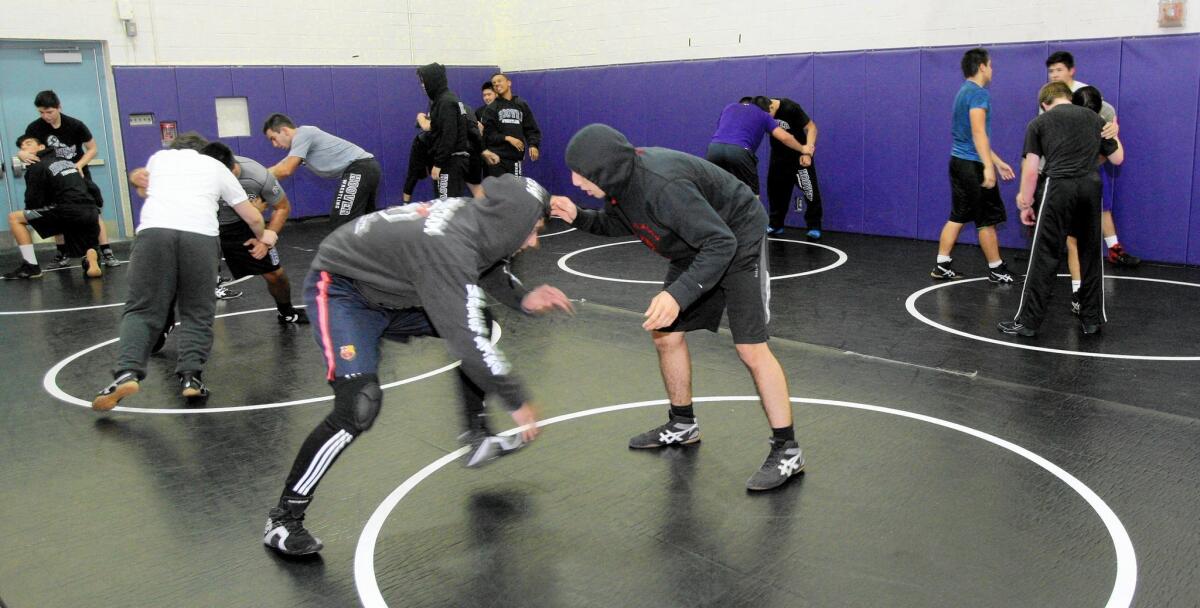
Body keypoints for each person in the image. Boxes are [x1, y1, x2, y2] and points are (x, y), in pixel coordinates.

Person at [262, 175, 573, 556]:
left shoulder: (477, 221)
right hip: (344, 291)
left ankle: (477, 437)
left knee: (484, 323)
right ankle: (283, 519)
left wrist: (522, 298)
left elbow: (485, 263)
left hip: (397, 291)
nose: (533, 242)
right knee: (358, 405)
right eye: (533, 231)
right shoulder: (447, 248)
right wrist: (517, 400)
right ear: (509, 224)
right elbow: (466, 341)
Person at [552, 123, 804, 492]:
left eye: (582, 174)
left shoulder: (663, 186)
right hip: (697, 245)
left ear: (604, 171)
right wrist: (579, 216)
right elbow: (622, 223)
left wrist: (678, 294)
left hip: (736, 240)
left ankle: (788, 450)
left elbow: (722, 243)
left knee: (751, 348)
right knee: (665, 335)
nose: (575, 181)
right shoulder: (623, 184)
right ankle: (683, 424)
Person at [92, 136, 266, 411]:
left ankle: (128, 372)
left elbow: (145, 191)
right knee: (197, 311)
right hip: (200, 238)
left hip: (154, 234)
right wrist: (263, 237)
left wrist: (137, 180)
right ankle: (191, 379)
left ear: (174, 149)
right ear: (203, 150)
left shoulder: (159, 159)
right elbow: (253, 217)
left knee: (141, 310)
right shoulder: (215, 166)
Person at [998, 82, 1123, 338]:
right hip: (1090, 187)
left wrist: (1026, 201)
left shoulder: (1039, 122)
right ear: (1068, 97)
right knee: (1089, 253)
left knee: (1044, 254)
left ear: (1045, 103)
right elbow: (1118, 159)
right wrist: (1113, 133)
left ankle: (1029, 322)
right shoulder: (1094, 118)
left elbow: (1032, 169)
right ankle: (1092, 320)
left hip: (1059, 187)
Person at [1044, 51, 1139, 274]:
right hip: (1062, 163)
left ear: (1070, 70)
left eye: (1059, 69)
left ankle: (1111, 250)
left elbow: (1107, 114)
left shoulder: (1084, 93)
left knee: (1096, 206)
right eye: (1051, 71)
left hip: (1087, 160)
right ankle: (1066, 265)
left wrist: (1112, 129)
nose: (1055, 74)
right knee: (1067, 216)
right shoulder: (1049, 97)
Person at [931, 47, 1017, 283]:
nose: (992, 69)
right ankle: (997, 269)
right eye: (990, 65)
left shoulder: (962, 92)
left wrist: (996, 162)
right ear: (981, 67)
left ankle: (942, 264)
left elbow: (972, 136)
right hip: (972, 166)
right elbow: (979, 133)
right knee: (986, 220)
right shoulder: (979, 94)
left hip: (958, 162)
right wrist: (988, 167)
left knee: (958, 215)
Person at [19, 90, 118, 268]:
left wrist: (79, 164)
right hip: (52, 177)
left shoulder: (75, 125)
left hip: (76, 174)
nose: (46, 116)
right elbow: (27, 147)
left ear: (59, 107)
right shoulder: (35, 128)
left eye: (49, 112)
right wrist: (21, 153)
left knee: (93, 211)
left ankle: (106, 251)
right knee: (56, 209)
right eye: (41, 112)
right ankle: (62, 252)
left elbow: (93, 148)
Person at [3, 134, 102, 280]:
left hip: (68, 212)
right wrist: (97, 206)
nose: (24, 148)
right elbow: (91, 187)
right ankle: (90, 255)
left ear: (42, 147)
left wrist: (35, 215)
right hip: (90, 211)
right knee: (70, 222)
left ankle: (31, 267)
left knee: (15, 218)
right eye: (21, 147)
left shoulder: (37, 168)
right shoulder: (67, 162)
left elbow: (33, 201)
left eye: (28, 144)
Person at [262, 114, 381, 229]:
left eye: (274, 138)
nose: (275, 144)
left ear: (284, 131)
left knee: (341, 222)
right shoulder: (300, 146)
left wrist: (259, 182)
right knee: (364, 223)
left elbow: (285, 170)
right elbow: (278, 168)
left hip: (359, 169)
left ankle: (341, 250)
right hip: (367, 168)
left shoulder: (303, 134)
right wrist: (256, 178)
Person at [705, 96, 807, 197]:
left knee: (716, 191)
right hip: (739, 151)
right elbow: (785, 137)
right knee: (752, 195)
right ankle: (752, 213)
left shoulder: (729, 107)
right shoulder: (763, 115)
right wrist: (802, 148)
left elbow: (721, 128)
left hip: (714, 149)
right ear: (766, 109)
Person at [765, 97, 823, 239]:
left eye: (767, 115)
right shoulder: (761, 109)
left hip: (800, 157)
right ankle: (776, 225)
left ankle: (814, 226)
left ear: (771, 107)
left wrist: (808, 152)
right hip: (778, 158)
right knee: (776, 192)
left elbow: (812, 128)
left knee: (810, 191)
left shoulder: (790, 108)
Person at [416, 63, 472, 199]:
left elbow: (449, 135)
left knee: (444, 206)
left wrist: (439, 163)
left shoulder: (446, 102)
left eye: (425, 81)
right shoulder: (445, 100)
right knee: (450, 205)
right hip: (453, 160)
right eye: (421, 82)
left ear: (434, 80)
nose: (423, 85)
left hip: (450, 162)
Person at [480, 73, 541, 177]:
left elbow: (531, 128)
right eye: (494, 83)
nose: (497, 84)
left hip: (515, 158)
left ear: (509, 83)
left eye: (499, 81)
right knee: (498, 192)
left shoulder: (521, 104)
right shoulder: (491, 108)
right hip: (497, 158)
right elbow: (488, 135)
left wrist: (533, 145)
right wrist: (507, 138)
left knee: (515, 190)